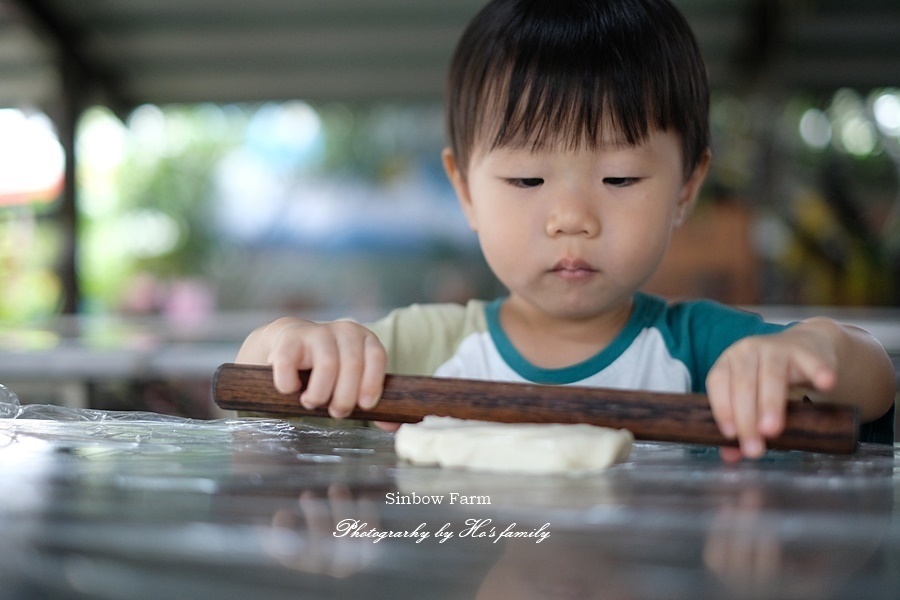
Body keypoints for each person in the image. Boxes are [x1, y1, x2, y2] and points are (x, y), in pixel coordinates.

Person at [237, 0, 896, 460]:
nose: (572, 218)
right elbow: (256, 389)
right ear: (465, 189)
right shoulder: (423, 349)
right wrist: (290, 344)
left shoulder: (699, 352)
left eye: (620, 180)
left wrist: (814, 352)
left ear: (686, 189)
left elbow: (873, 384)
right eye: (527, 181)